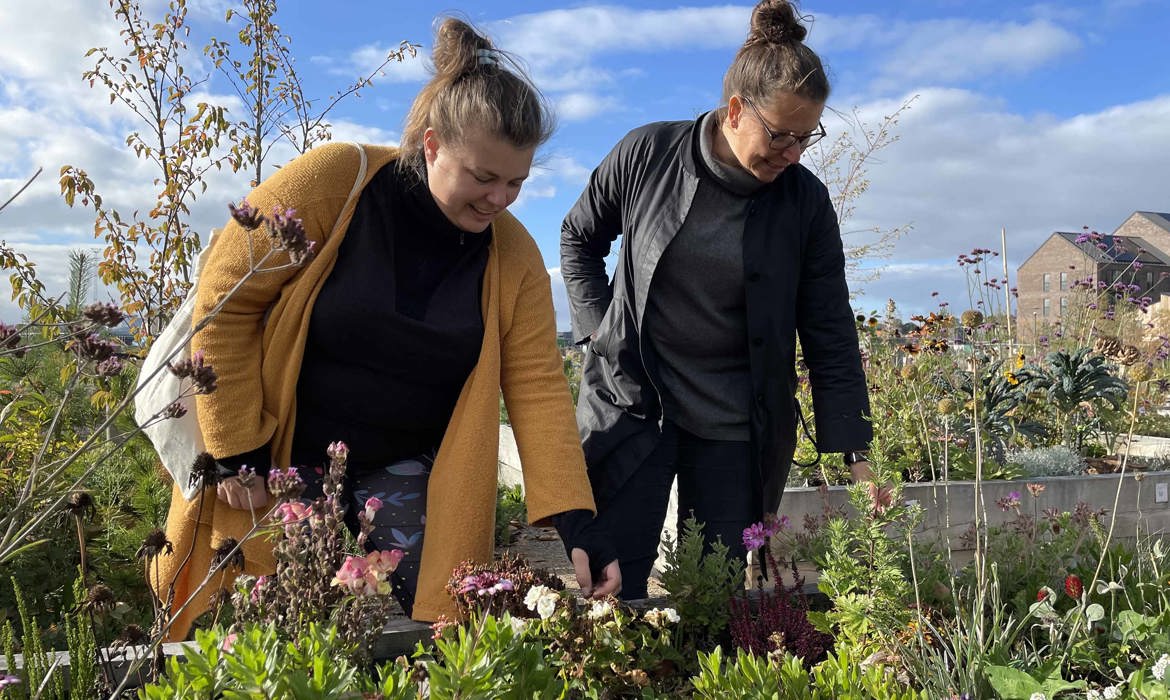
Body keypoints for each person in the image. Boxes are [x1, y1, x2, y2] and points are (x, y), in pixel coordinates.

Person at [151, 17, 620, 640]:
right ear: (431, 146)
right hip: (280, 455)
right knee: (258, 625)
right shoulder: (336, 182)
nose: (500, 199)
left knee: (455, 612)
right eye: (483, 177)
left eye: (517, 182)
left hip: (403, 463)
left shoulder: (514, 256)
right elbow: (225, 300)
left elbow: (536, 386)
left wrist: (575, 520)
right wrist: (236, 447)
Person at [560, 0, 873, 600]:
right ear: (735, 110)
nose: (794, 154)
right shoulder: (646, 154)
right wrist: (597, 327)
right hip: (633, 404)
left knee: (718, 596)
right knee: (612, 582)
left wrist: (855, 448)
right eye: (781, 135)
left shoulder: (805, 203)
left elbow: (829, 326)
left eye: (808, 138)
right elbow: (578, 236)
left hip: (736, 423)